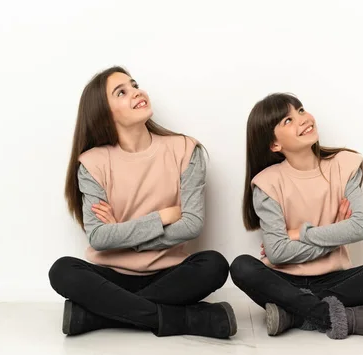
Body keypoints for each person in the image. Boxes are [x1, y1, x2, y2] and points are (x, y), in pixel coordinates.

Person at [49, 66, 236, 339]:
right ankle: (186, 319)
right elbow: (100, 238)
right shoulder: (92, 163)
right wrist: (160, 217)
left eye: (134, 84)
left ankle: (97, 315)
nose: (136, 92)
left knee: (214, 265)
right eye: (121, 92)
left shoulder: (185, 149)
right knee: (62, 270)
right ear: (104, 112)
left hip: (169, 273)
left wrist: (123, 235)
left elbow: (192, 225)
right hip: (111, 275)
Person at [230, 93, 363, 339]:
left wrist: (299, 234)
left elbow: (358, 228)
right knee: (241, 267)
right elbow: (277, 252)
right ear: (274, 145)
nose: (302, 119)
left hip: (335, 280)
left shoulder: (345, 165)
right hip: (283, 281)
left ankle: (293, 313)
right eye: (287, 120)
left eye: (300, 110)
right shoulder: (267, 183)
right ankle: (340, 317)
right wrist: (334, 233)